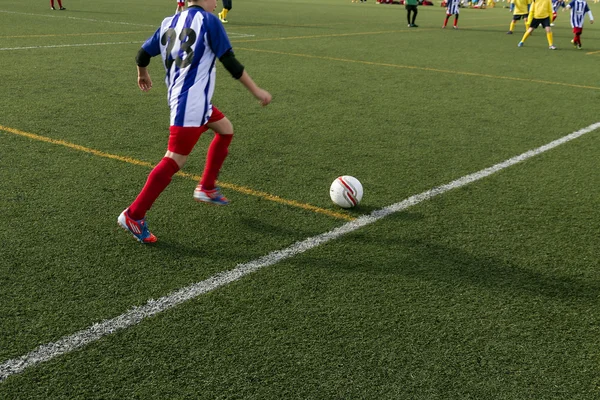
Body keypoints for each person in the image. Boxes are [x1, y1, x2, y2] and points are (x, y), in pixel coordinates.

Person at [118, 0, 272, 243]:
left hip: (191, 102)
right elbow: (230, 62)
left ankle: (207, 187)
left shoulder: (170, 21)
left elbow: (142, 54)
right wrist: (257, 91)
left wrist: (142, 73)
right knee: (174, 160)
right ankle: (133, 215)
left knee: (226, 129)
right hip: (190, 105)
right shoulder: (209, 21)